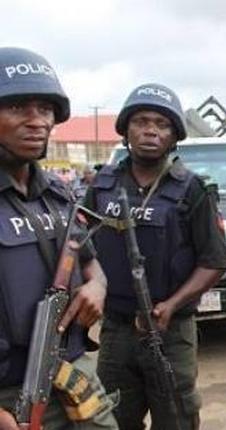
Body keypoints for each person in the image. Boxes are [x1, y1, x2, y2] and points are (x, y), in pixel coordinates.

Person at [85, 83, 226, 429]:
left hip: (170, 331)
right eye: (141, 121)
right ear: (126, 129)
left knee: (176, 419)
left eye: (162, 124)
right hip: (116, 331)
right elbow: (79, 247)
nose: (151, 130)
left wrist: (172, 305)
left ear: (174, 135)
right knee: (114, 421)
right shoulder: (102, 185)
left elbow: (215, 261)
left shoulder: (192, 188)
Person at [0, 47, 118, 429]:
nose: (37, 121)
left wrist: (97, 286)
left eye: (45, 109)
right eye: (18, 107)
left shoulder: (59, 194)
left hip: (75, 373)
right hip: (11, 398)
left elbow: (89, 261)